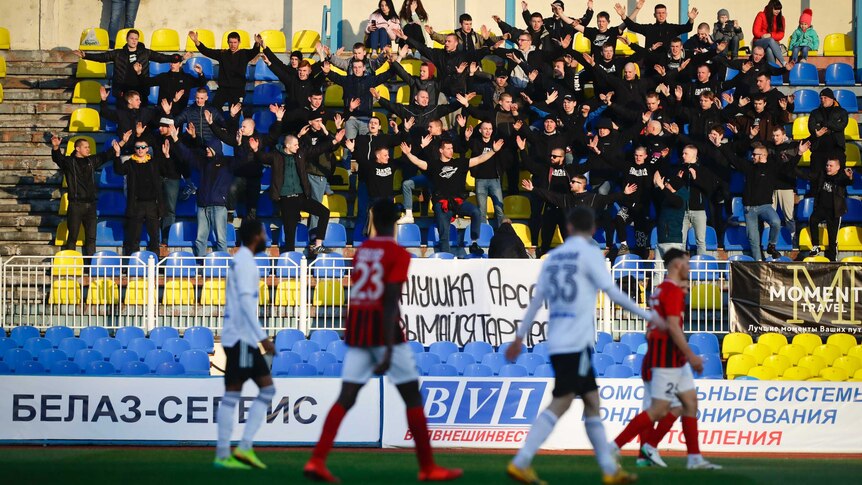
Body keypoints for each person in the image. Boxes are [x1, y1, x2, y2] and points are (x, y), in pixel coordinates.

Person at [304, 199, 463, 483]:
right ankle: (427, 467)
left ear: (374, 220)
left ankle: (317, 459)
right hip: (383, 332)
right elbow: (389, 301)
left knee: (347, 396)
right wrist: (389, 349)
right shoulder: (399, 255)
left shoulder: (362, 251)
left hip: (358, 330)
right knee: (412, 396)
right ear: (398, 223)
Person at [505, 206, 665, 485]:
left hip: (556, 340)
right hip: (576, 342)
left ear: (567, 229)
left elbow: (536, 301)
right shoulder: (590, 254)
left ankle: (609, 470)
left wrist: (519, 337)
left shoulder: (552, 258)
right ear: (593, 230)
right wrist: (649, 315)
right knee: (562, 402)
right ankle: (521, 461)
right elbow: (613, 292)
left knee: (591, 401)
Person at [610, 249, 721, 471]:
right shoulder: (671, 291)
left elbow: (655, 328)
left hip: (670, 357)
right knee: (660, 409)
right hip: (666, 358)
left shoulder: (660, 290)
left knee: (688, 404)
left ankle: (692, 457)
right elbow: (671, 327)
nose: (690, 268)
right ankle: (613, 447)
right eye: (687, 264)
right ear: (677, 265)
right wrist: (691, 356)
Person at [213, 218, 276, 470]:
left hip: (239, 338)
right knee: (243, 393)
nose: (266, 238)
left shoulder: (239, 261)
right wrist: (263, 338)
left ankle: (235, 450)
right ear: (254, 237)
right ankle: (234, 450)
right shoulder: (247, 264)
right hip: (242, 339)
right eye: (263, 233)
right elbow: (247, 307)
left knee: (254, 391)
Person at [400, 138, 504, 255]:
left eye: (452, 148)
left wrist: (493, 151)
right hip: (442, 203)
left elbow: (480, 159)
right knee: (444, 233)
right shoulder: (434, 164)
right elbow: (419, 162)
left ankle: (474, 243)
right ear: (441, 150)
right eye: (448, 148)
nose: (451, 151)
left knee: (476, 212)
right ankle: (447, 258)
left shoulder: (459, 162)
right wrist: (408, 154)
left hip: (458, 202)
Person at [254, 133, 345, 254]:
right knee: (289, 232)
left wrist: (334, 142)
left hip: (301, 196)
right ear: (287, 145)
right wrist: (255, 149)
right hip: (286, 199)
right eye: (295, 145)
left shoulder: (301, 154)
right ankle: (290, 262)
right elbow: (262, 158)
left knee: (324, 212)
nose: (298, 147)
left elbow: (317, 150)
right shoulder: (276, 156)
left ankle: (318, 245)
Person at [171, 129, 249, 257]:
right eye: (207, 147)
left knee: (221, 240)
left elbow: (242, 159)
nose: (207, 149)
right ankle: (200, 266)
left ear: (216, 148)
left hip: (219, 207)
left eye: (209, 148)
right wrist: (176, 140)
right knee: (200, 239)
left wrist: (240, 144)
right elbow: (188, 155)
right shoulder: (203, 162)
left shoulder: (227, 162)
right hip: (202, 206)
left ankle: (222, 267)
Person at [50, 133, 125, 256]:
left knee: (91, 239)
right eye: (85, 147)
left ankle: (91, 267)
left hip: (90, 205)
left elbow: (106, 155)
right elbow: (58, 158)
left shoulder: (91, 160)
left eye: (89, 147)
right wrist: (56, 147)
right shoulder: (69, 162)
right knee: (72, 237)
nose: (88, 149)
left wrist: (122, 142)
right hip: (76, 205)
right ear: (77, 149)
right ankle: (71, 265)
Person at [73, 29, 177, 104]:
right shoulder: (118, 53)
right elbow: (103, 57)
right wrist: (86, 55)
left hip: (141, 92)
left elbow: (162, 57)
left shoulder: (145, 53)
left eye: (136, 39)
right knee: (124, 122)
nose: (134, 40)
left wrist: (178, 58)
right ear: (127, 39)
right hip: (123, 93)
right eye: (131, 38)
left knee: (140, 123)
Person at [113, 137, 168, 255]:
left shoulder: (154, 162)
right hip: (136, 204)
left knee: (154, 237)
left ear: (147, 149)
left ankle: (155, 266)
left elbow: (166, 171)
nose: (140, 150)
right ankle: (133, 265)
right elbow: (119, 170)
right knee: (133, 237)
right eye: (137, 147)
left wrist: (166, 156)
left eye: (143, 147)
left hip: (152, 204)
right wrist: (117, 154)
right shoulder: (130, 163)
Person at [188, 30, 261, 109]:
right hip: (223, 90)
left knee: (234, 115)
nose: (233, 45)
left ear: (239, 42)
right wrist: (196, 41)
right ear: (228, 42)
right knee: (213, 110)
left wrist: (257, 43)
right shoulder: (223, 53)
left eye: (235, 42)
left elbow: (254, 51)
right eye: (231, 42)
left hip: (238, 90)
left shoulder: (244, 54)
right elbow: (207, 51)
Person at [802, 159, 854, 261]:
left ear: (837, 167)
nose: (828, 167)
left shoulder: (841, 177)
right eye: (827, 165)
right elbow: (807, 175)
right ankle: (816, 246)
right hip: (821, 208)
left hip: (834, 211)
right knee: (813, 220)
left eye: (831, 166)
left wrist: (850, 176)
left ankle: (832, 260)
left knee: (832, 237)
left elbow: (848, 181)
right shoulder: (822, 175)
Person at [808, 88, 849, 173]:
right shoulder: (814, 112)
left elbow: (841, 126)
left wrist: (825, 124)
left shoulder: (842, 112)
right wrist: (830, 128)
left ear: (831, 98)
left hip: (837, 148)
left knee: (838, 178)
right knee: (816, 178)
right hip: (819, 149)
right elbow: (812, 127)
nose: (823, 100)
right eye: (821, 98)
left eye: (825, 97)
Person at [752, 1, 786, 67]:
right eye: (775, 9)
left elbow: (781, 34)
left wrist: (771, 35)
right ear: (771, 8)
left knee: (769, 49)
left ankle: (773, 69)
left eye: (779, 9)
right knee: (770, 40)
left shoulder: (781, 19)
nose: (778, 11)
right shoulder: (761, 15)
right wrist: (763, 35)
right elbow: (755, 31)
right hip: (759, 42)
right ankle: (783, 62)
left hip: (774, 44)